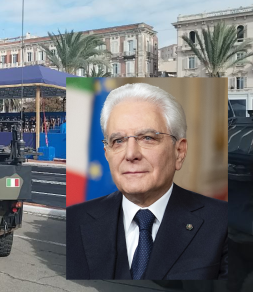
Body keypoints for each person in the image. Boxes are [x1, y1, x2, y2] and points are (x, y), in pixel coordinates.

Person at [66, 83, 227, 280]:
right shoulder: (75, 221)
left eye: (148, 138)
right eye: (118, 141)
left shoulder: (223, 224)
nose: (131, 154)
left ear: (179, 152)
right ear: (107, 154)